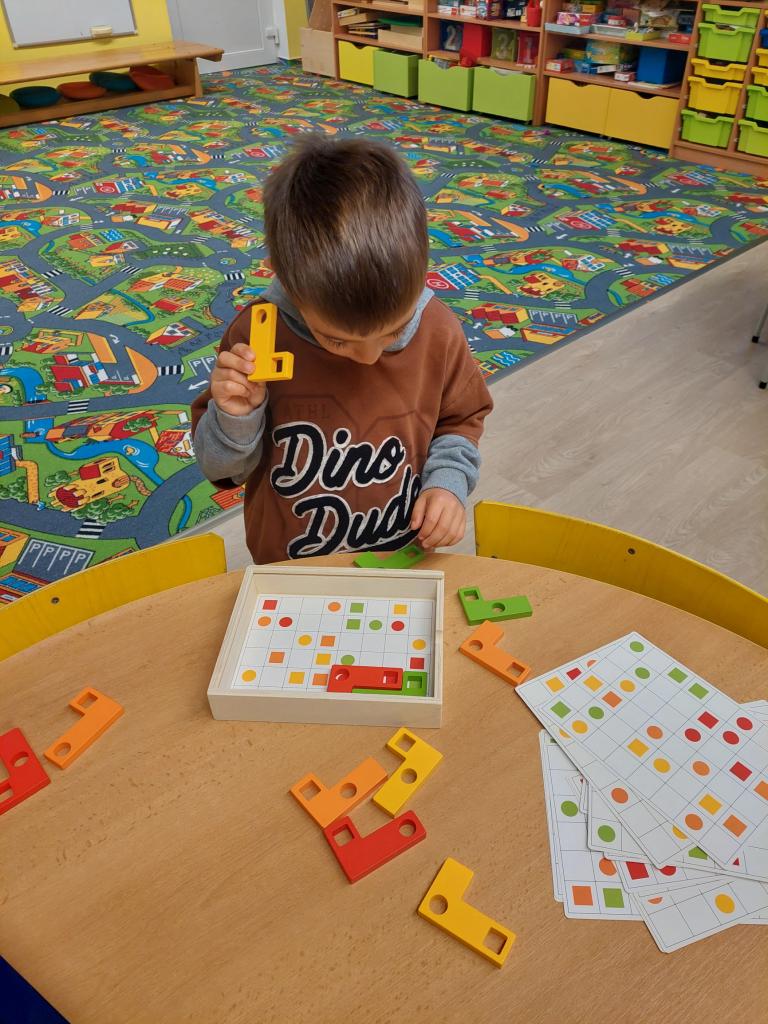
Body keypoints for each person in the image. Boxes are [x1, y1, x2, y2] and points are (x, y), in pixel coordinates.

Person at [191, 136, 492, 562]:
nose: (369, 358)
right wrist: (236, 420)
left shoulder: (438, 329)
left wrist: (448, 483)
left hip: (401, 558)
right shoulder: (257, 338)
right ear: (288, 281)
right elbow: (223, 471)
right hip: (290, 566)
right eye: (337, 339)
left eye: (394, 331)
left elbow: (460, 421)